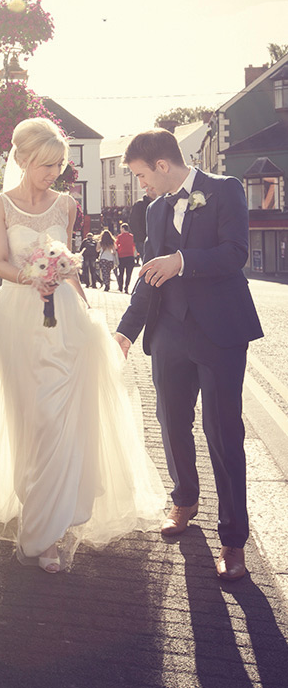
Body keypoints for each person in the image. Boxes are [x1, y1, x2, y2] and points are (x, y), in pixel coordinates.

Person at [0, 118, 165, 573]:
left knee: (58, 418)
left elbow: (68, 265)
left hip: (64, 318)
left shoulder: (67, 205)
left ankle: (47, 532)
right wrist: (34, 277)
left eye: (59, 165)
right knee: (27, 419)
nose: (54, 173)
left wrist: (89, 314)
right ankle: (36, 513)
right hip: (15, 319)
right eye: (46, 165)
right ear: (24, 160)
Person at [114, 129, 263, 581]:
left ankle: (234, 540)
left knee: (223, 432)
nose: (141, 186)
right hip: (168, 336)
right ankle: (184, 501)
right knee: (171, 423)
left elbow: (235, 253)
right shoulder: (154, 210)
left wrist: (182, 260)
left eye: (142, 175)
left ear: (162, 165)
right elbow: (148, 275)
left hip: (220, 335)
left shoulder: (225, 189)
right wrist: (124, 332)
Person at [115, 223, 136, 293]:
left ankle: (120, 287)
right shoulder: (132, 236)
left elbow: (116, 246)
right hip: (130, 256)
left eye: (121, 228)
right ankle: (126, 287)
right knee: (128, 274)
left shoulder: (119, 237)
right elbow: (134, 246)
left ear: (123, 229)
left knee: (121, 273)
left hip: (122, 257)